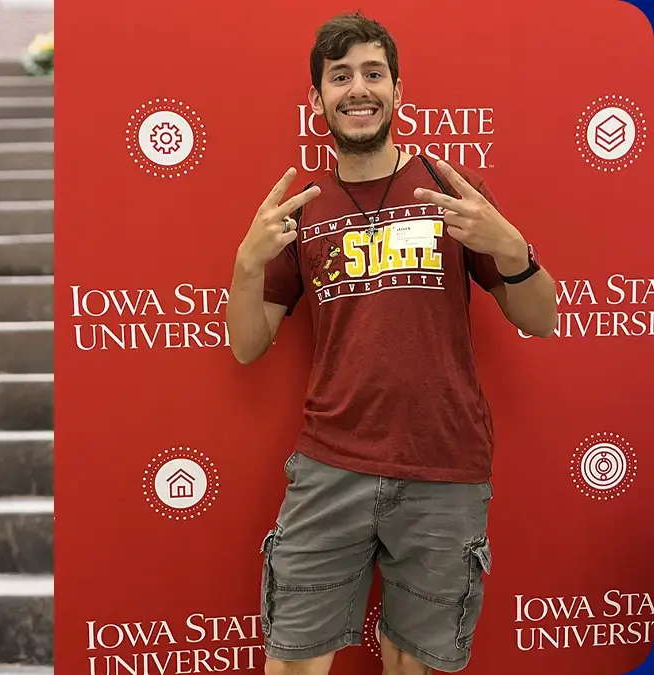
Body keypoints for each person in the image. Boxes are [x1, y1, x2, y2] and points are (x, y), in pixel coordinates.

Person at [226, 12, 558, 675]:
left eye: (374, 73)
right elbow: (247, 346)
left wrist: (512, 250)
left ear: (398, 92)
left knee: (415, 663)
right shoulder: (304, 209)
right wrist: (244, 264)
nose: (358, 89)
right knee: (293, 662)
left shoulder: (449, 189)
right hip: (330, 464)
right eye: (339, 76)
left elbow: (543, 316)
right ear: (318, 98)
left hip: (444, 464)